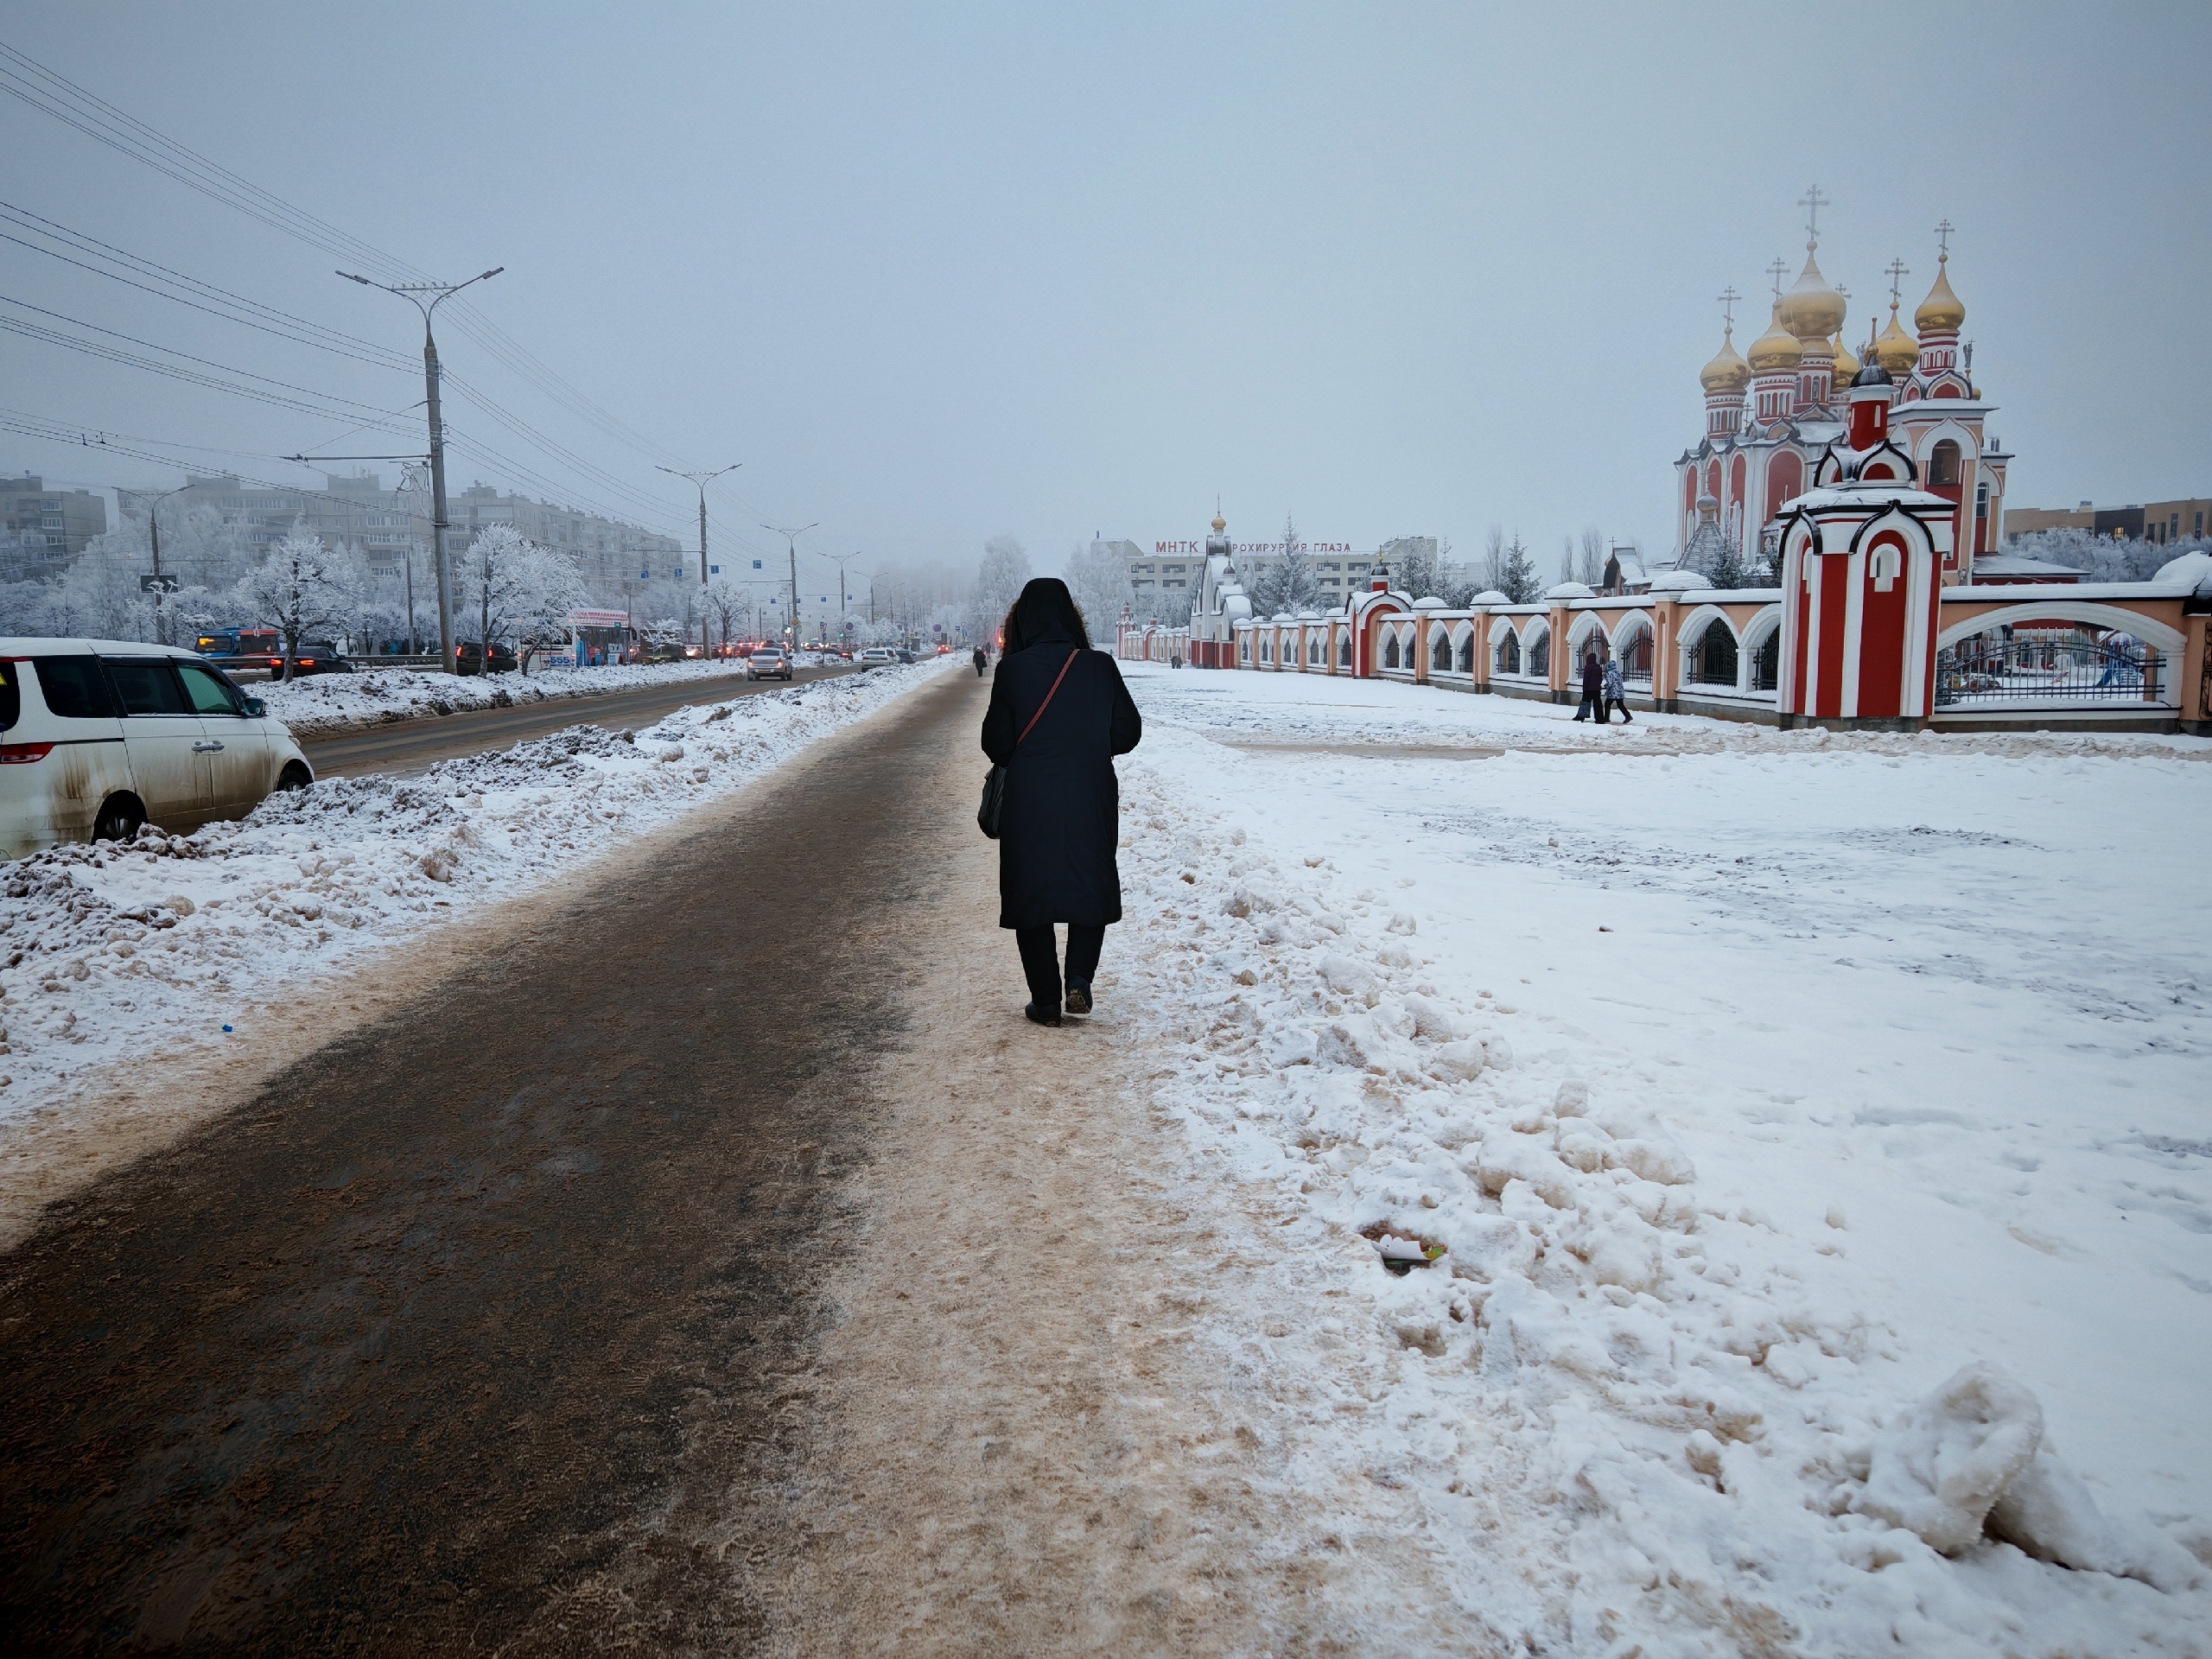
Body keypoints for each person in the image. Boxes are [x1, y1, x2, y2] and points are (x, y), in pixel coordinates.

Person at [982, 577, 1142, 1027]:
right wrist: (1088, 745)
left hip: (1029, 798)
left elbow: (995, 743)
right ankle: (1079, 981)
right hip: (1090, 792)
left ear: (1024, 622)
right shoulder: (1099, 666)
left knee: (1031, 887)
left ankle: (1046, 1000)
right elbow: (1128, 731)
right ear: (1071, 617)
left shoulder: (1012, 672)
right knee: (1088, 880)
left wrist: (1033, 753)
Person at [1573, 649, 1605, 721]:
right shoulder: (1598, 667)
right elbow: (1600, 678)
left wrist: (1584, 689)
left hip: (1589, 689)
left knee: (1585, 703)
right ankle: (1600, 719)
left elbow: (1586, 679)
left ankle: (1581, 717)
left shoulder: (1588, 667)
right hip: (1596, 689)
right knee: (1597, 704)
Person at [1603, 655, 1632, 723]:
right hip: (1620, 692)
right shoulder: (1618, 672)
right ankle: (1628, 716)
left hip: (1613, 693)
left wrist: (1606, 686)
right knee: (1620, 705)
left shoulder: (1609, 673)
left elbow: (1610, 683)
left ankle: (1606, 718)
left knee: (1607, 704)